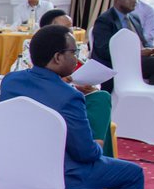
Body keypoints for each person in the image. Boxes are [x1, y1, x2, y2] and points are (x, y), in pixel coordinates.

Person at [0, 25, 154, 189]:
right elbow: (85, 153)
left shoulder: (11, 82)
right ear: (57, 57)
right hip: (60, 175)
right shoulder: (69, 97)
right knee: (131, 174)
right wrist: (98, 145)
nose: (78, 58)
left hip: (14, 172)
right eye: (74, 52)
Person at [39, 10, 115, 158]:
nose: (71, 32)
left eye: (71, 27)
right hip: (51, 107)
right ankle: (97, 154)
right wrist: (62, 83)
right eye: (66, 29)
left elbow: (87, 73)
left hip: (76, 97)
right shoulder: (33, 49)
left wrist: (89, 87)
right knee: (101, 102)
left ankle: (100, 153)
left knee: (100, 97)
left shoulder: (76, 49)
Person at [90, 0, 154, 89]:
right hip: (119, 64)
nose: (135, 2)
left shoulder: (134, 17)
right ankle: (152, 96)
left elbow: (143, 42)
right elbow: (104, 51)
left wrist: (151, 50)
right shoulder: (105, 20)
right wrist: (137, 53)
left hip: (138, 58)